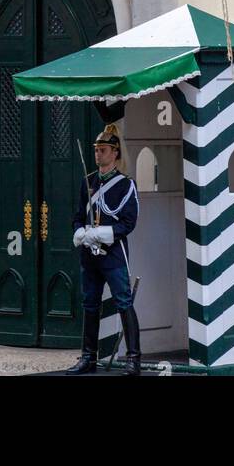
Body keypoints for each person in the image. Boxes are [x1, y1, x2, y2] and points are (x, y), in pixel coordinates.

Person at [66, 122, 141, 375]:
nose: (98, 154)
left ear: (115, 153)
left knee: (123, 302)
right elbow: (78, 216)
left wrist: (103, 233)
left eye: (103, 150)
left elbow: (129, 222)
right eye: (97, 149)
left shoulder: (125, 184)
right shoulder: (88, 182)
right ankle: (88, 357)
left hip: (114, 254)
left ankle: (133, 359)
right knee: (90, 304)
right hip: (89, 254)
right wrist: (80, 233)